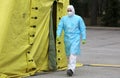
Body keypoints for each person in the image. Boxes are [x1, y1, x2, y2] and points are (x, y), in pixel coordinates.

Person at [56, 5, 86, 76]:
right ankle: (69, 68)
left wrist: (83, 37)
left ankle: (71, 69)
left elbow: (82, 28)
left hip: (75, 38)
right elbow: (60, 27)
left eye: (70, 10)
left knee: (73, 53)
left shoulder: (78, 18)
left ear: (73, 10)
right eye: (68, 10)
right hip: (67, 39)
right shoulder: (64, 19)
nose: (69, 12)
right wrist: (58, 34)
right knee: (68, 54)